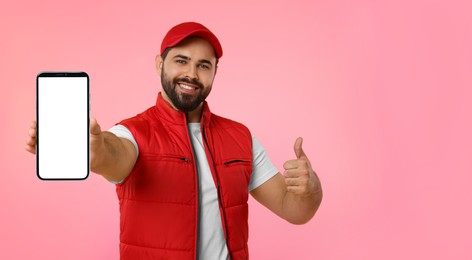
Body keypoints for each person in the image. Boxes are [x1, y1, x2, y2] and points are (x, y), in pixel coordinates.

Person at [26, 22, 322, 260]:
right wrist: (94, 150)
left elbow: (293, 209)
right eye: (181, 61)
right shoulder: (132, 132)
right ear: (160, 64)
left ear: (215, 72)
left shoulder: (241, 137)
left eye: (204, 65)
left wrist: (310, 190)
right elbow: (114, 156)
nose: (191, 74)